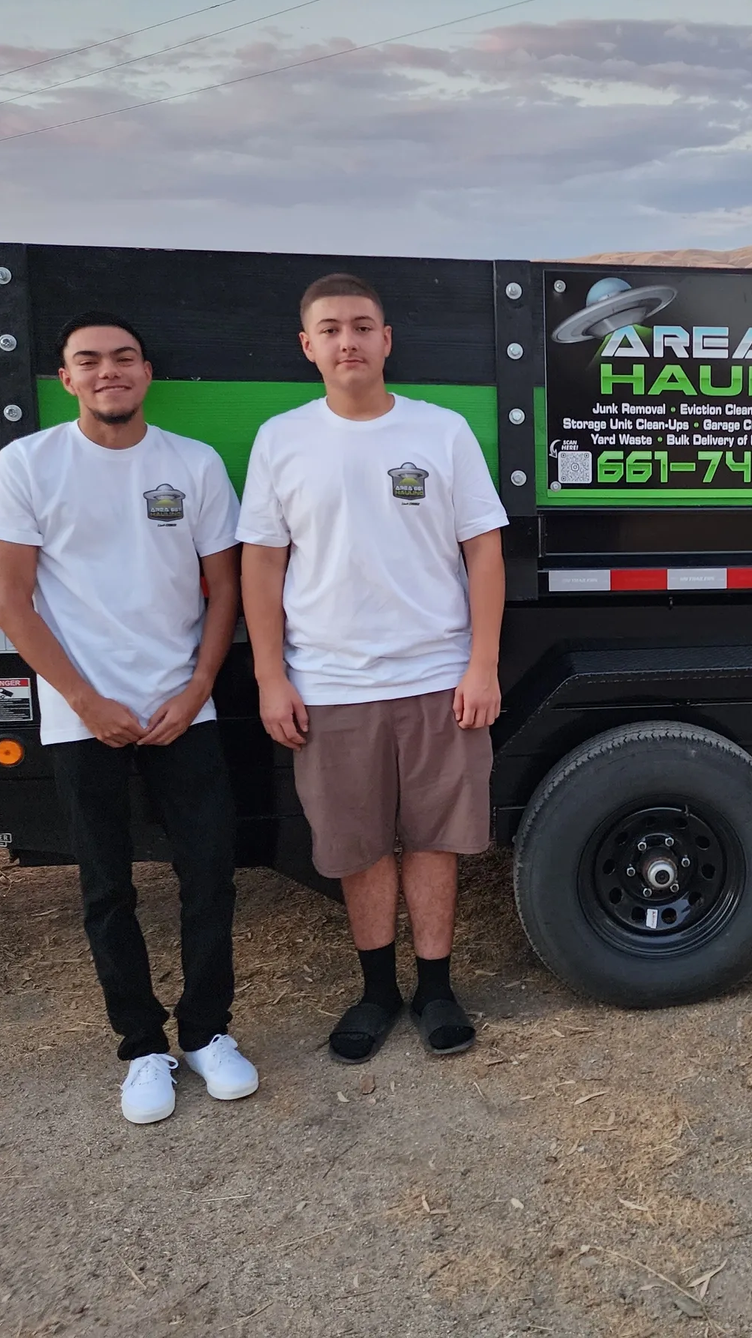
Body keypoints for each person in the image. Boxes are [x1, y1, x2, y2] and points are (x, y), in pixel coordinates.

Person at [0, 311, 258, 1123]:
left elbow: (225, 591)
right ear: (66, 379)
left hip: (182, 709)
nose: (109, 372)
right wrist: (85, 699)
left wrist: (199, 687)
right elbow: (12, 603)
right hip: (79, 714)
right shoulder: (27, 465)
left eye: (124, 358)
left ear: (146, 372)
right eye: (88, 361)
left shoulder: (192, 465)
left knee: (210, 875)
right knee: (107, 888)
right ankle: (143, 1049)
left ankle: (207, 1035)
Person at [238, 273, 507, 1064]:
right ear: (308, 346)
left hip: (437, 678)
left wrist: (481, 664)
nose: (347, 340)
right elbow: (261, 564)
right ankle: (377, 991)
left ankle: (435, 988)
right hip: (329, 686)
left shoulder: (442, 431)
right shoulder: (281, 439)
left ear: (387, 340)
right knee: (356, 846)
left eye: (362, 326)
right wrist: (270, 676)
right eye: (331, 329)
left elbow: (484, 550)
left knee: (433, 840)